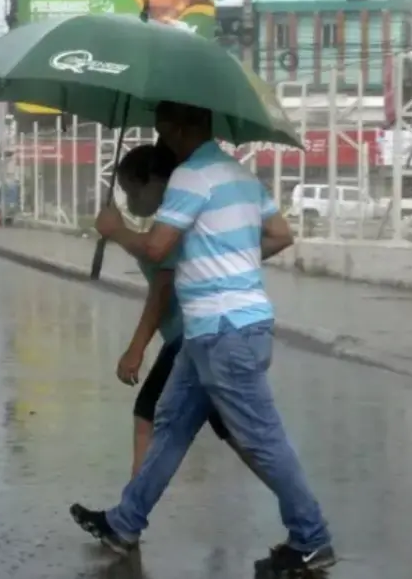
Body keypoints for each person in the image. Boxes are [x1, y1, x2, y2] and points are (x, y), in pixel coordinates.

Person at [70, 102, 335, 575]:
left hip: (224, 331)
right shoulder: (240, 175)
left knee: (261, 439)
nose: (158, 132)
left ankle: (311, 539)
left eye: (161, 124)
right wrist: (230, 256)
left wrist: (117, 230)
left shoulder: (190, 177)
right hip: (211, 331)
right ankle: (124, 522)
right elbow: (279, 235)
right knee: (170, 425)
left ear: (176, 127)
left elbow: (156, 249)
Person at [107, 144, 263, 482]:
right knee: (238, 433)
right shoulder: (173, 218)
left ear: (152, 182)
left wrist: (135, 350)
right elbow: (151, 255)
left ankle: (127, 515)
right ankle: (296, 501)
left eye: (131, 190)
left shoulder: (175, 220)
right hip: (205, 332)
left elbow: (162, 290)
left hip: (191, 333)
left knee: (147, 416)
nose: (129, 199)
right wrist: (118, 233)